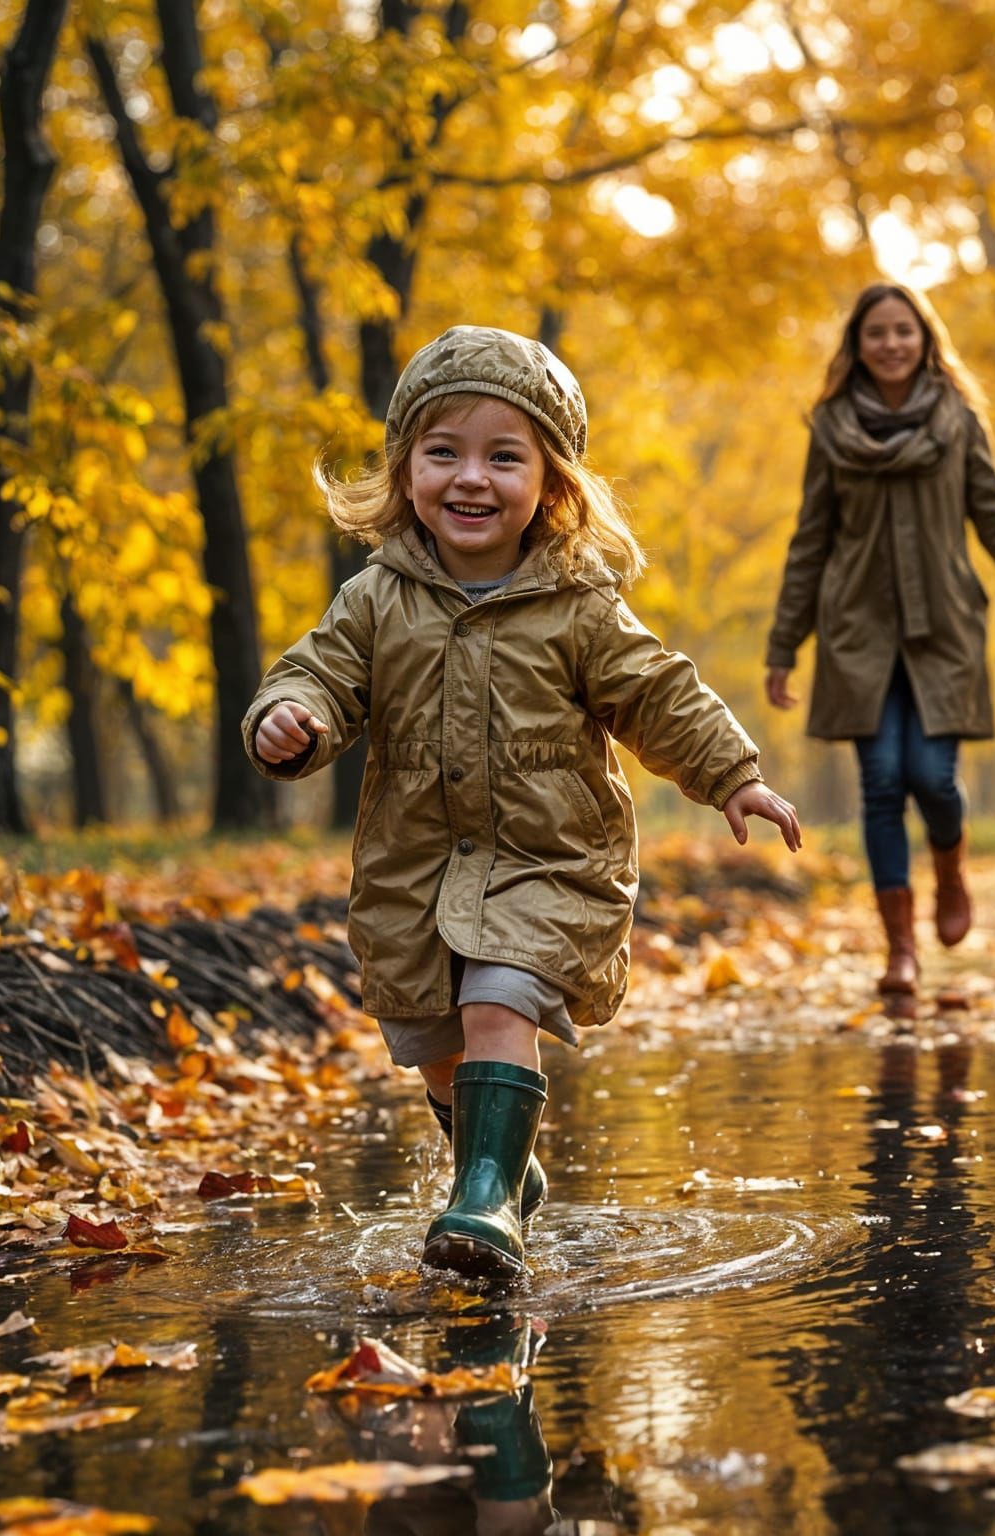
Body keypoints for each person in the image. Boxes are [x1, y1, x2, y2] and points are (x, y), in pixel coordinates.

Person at [244, 326, 800, 1282]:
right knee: (435, 1045)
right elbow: (321, 674)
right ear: (405, 468)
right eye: (444, 452)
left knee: (501, 1000)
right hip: (414, 870)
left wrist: (731, 772)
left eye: (506, 457)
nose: (473, 478)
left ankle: (485, 1200)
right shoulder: (375, 598)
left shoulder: (578, 604)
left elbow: (655, 691)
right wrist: (289, 715)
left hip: (551, 861)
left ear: (552, 483)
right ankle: (498, 1167)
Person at [764, 283, 995, 996]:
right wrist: (785, 646)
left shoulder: (959, 419)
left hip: (943, 626)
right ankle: (900, 950)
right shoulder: (830, 428)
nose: (890, 344)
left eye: (903, 331)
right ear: (857, 346)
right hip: (858, 632)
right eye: (876, 332)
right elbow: (810, 541)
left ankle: (949, 866)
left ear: (924, 337)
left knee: (932, 778)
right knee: (881, 783)